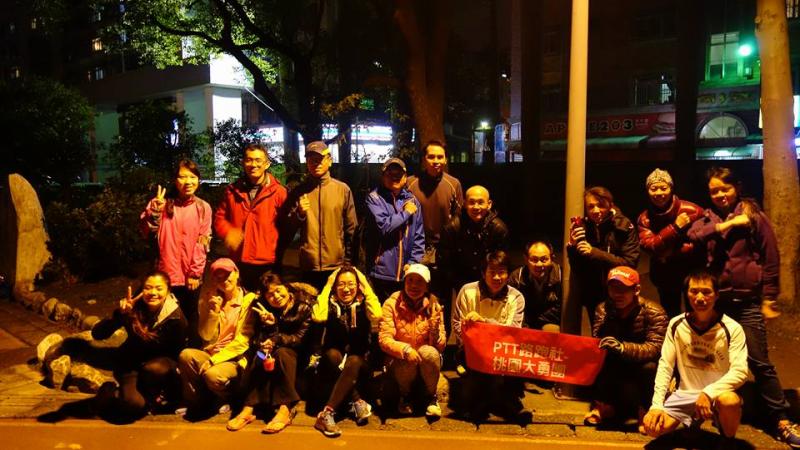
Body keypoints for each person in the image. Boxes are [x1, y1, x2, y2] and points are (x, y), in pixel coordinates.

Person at [688, 166, 800, 447]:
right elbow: (694, 235)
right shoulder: (707, 218)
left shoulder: (753, 217)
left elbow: (771, 257)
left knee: (759, 362)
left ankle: (781, 419)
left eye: (724, 189)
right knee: (712, 358)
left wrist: (769, 297)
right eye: (714, 191)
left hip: (747, 301)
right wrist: (725, 226)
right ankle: (714, 410)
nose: (720, 195)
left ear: (736, 188)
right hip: (717, 303)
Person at [643, 271, 748, 446]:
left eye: (706, 292)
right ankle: (691, 424)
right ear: (687, 294)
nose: (700, 298)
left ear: (717, 295)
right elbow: (665, 366)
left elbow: (740, 371)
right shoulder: (676, 324)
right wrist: (656, 405)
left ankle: (727, 439)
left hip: (717, 395)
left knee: (729, 401)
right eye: (694, 291)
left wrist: (708, 393)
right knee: (652, 428)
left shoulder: (732, 328)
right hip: (685, 393)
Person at [91, 271, 187, 421]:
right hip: (131, 365)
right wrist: (121, 314)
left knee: (155, 368)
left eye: (159, 288)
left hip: (158, 368)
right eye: (148, 288)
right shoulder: (133, 308)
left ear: (168, 291)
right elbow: (98, 334)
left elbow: (179, 352)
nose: (153, 293)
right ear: (142, 290)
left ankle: (152, 396)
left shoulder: (176, 317)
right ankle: (109, 391)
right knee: (133, 406)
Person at [227, 273, 314, 434]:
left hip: (298, 354)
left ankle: (285, 409)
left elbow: (300, 339)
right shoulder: (262, 308)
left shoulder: (304, 305)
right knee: (259, 355)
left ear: (286, 287)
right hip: (273, 351)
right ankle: (248, 408)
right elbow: (256, 339)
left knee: (282, 353)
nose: (276, 297)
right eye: (270, 295)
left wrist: (275, 338)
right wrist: (268, 331)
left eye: (278, 290)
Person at [585, 266, 667, 430]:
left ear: (636, 290)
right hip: (616, 362)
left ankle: (645, 411)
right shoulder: (603, 309)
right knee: (601, 359)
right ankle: (604, 405)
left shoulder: (654, 311)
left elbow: (655, 347)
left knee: (650, 368)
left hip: (641, 363)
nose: (617, 294)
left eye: (623, 289)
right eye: (613, 289)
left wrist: (623, 348)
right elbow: (598, 339)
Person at [140, 159, 211, 347]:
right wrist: (154, 211)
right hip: (165, 273)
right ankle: (164, 351)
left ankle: (191, 352)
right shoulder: (161, 204)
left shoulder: (203, 207)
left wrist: (195, 273)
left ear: (198, 180)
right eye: (182, 177)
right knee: (164, 314)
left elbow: (203, 241)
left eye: (192, 177)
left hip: (190, 274)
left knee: (191, 314)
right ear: (174, 180)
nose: (188, 182)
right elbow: (147, 231)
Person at [451, 251, 529, 423]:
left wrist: (483, 323)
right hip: (471, 350)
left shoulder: (516, 297)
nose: (497, 277)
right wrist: (477, 340)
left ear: (508, 274)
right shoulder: (467, 291)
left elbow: (512, 332)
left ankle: (505, 401)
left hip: (502, 352)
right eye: (491, 272)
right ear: (483, 272)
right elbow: (457, 325)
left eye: (501, 272)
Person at [177, 258, 257, 416]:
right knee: (186, 355)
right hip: (211, 352)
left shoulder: (249, 300)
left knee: (212, 374)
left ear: (236, 273)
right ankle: (196, 401)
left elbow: (243, 340)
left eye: (227, 275)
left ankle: (226, 398)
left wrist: (214, 360)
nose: (224, 280)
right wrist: (213, 312)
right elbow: (205, 335)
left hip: (234, 357)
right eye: (218, 277)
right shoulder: (210, 299)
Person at [311, 264, 383, 437]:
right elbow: (318, 316)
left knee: (354, 361)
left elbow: (377, 315)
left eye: (351, 284)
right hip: (334, 362)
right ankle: (356, 400)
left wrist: (365, 284)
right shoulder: (330, 303)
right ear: (335, 286)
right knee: (332, 355)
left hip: (360, 362)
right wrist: (328, 286)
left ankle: (327, 412)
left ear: (358, 285)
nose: (346, 289)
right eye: (341, 284)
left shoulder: (364, 303)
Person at [282, 141, 357, 290]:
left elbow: (352, 229)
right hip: (308, 266)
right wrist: (299, 214)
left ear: (329, 161)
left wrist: (348, 262)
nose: (315, 164)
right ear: (307, 163)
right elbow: (287, 228)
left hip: (336, 265)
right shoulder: (299, 192)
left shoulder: (342, 190)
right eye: (311, 160)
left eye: (319, 159)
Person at [214, 144, 287, 291]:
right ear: (243, 163)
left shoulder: (279, 192)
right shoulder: (232, 190)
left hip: (268, 262)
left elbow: (287, 225)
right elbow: (219, 218)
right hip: (239, 260)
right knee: (240, 301)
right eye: (249, 160)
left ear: (267, 164)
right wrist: (228, 232)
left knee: (267, 301)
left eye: (258, 160)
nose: (253, 164)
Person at [438, 185, 509, 336]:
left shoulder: (498, 229)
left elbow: (502, 263)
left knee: (488, 320)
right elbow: (445, 264)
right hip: (459, 279)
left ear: (489, 204)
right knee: (462, 319)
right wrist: (463, 287)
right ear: (464, 203)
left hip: (488, 279)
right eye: (471, 202)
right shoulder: (452, 227)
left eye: (480, 202)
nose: (476, 207)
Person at [378, 264, 446, 418]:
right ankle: (405, 396)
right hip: (401, 362)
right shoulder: (391, 304)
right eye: (410, 280)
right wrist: (405, 349)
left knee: (429, 353)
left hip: (424, 362)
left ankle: (431, 397)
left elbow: (440, 347)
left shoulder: (434, 306)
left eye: (419, 281)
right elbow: (384, 339)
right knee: (406, 357)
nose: (414, 285)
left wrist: (434, 329)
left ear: (427, 286)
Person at [567, 186, 640, 326]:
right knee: (598, 333)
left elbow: (630, 263)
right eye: (591, 206)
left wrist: (594, 253)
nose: (596, 210)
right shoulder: (584, 227)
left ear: (610, 205)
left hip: (620, 291)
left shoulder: (623, 226)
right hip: (593, 294)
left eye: (601, 205)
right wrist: (572, 246)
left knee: (622, 332)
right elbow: (577, 268)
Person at [636, 168, 704, 318]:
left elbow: (705, 242)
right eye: (654, 188)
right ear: (648, 191)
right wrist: (675, 228)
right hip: (664, 275)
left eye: (663, 188)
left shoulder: (693, 210)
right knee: (670, 315)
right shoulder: (645, 218)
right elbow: (650, 246)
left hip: (692, 273)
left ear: (671, 188)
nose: (659, 193)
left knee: (696, 313)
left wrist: (672, 252)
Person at [406, 140, 464, 296]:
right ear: (424, 159)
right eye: (431, 157)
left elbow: (459, 218)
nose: (436, 161)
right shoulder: (410, 183)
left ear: (445, 159)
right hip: (416, 248)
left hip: (443, 249)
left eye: (440, 157)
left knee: (442, 296)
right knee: (416, 295)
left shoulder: (453, 184)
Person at [363, 157, 425, 301]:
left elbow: (419, 236)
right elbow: (384, 227)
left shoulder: (413, 201)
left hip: (406, 273)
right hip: (381, 273)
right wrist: (406, 213)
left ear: (405, 177)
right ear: (383, 176)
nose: (394, 177)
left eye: (399, 174)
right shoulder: (374, 199)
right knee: (382, 312)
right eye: (390, 174)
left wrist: (413, 263)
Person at [508, 240, 562, 331]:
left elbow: (561, 310)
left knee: (551, 329)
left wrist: (537, 322)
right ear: (526, 259)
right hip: (524, 323)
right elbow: (511, 307)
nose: (539, 264)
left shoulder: (561, 277)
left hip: (551, 322)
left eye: (544, 259)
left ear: (552, 258)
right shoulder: (516, 277)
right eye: (534, 260)